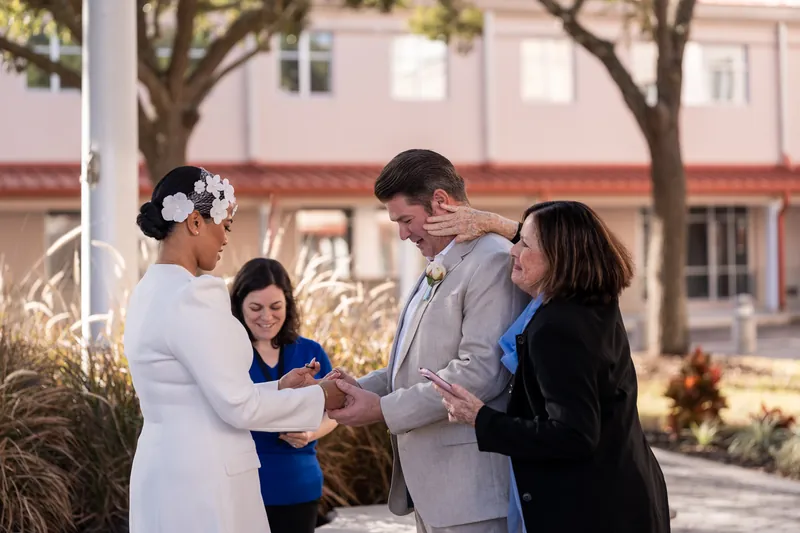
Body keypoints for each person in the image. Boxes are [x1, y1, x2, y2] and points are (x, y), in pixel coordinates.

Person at [124, 166, 345, 533]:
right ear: (195, 222)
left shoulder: (147, 293)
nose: (226, 237)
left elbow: (199, 393)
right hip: (204, 478)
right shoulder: (192, 296)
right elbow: (238, 407)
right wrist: (323, 396)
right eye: (224, 225)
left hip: (165, 471)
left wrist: (278, 387)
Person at [430, 201, 671, 533]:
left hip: (592, 512)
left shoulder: (558, 329)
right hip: (623, 493)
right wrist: (501, 225)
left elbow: (573, 435)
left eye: (525, 244)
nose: (512, 252)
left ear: (560, 259)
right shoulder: (593, 300)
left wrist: (481, 418)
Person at [325, 149, 529, 533]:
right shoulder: (440, 261)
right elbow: (416, 367)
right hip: (435, 495)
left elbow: (481, 372)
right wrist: (357, 388)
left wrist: (382, 410)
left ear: (440, 202)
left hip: (472, 497)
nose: (402, 234)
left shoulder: (492, 260)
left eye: (406, 219)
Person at [230, 257, 338, 533]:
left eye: (275, 307)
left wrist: (310, 434)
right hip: (241, 486)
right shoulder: (227, 354)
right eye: (256, 308)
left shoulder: (310, 350)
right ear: (239, 306)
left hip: (298, 487)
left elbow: (334, 412)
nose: (266, 317)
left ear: (288, 305)